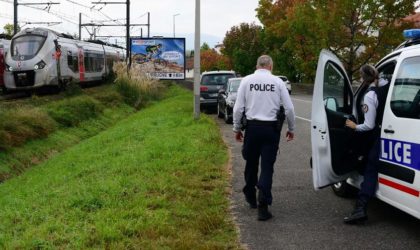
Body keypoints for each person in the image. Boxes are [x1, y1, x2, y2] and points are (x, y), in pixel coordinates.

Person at [232, 55, 296, 221]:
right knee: (267, 167)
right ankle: (263, 205)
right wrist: (291, 128)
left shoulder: (246, 81)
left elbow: (238, 108)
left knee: (251, 164)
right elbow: (289, 108)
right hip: (270, 130)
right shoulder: (278, 82)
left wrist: (237, 128)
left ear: (257, 65)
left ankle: (250, 196)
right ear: (270, 66)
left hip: (252, 129)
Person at [343, 64, 389, 224]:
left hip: (378, 135)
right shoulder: (387, 84)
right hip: (388, 131)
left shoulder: (370, 95)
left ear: (363, 78)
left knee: (370, 169)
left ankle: (360, 209)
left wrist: (355, 126)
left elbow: (368, 125)